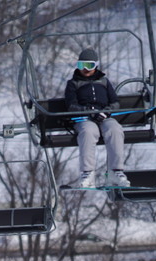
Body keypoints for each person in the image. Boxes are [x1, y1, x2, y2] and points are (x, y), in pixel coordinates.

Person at [64, 48, 129, 189]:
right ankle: (87, 173)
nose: (86, 69)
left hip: (104, 117)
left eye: (90, 65)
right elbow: (71, 105)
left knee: (115, 129)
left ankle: (115, 172)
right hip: (84, 119)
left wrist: (106, 112)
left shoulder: (104, 81)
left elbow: (115, 102)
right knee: (88, 132)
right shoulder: (73, 83)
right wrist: (88, 112)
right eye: (82, 66)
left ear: (96, 66)